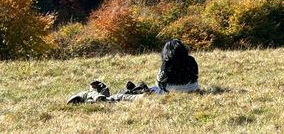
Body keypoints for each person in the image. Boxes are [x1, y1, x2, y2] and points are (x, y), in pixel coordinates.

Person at [66, 39, 199, 104]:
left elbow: (159, 82)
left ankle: (94, 95)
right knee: (138, 90)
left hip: (166, 93)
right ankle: (93, 94)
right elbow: (195, 77)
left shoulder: (167, 64)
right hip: (192, 89)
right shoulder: (191, 60)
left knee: (122, 96)